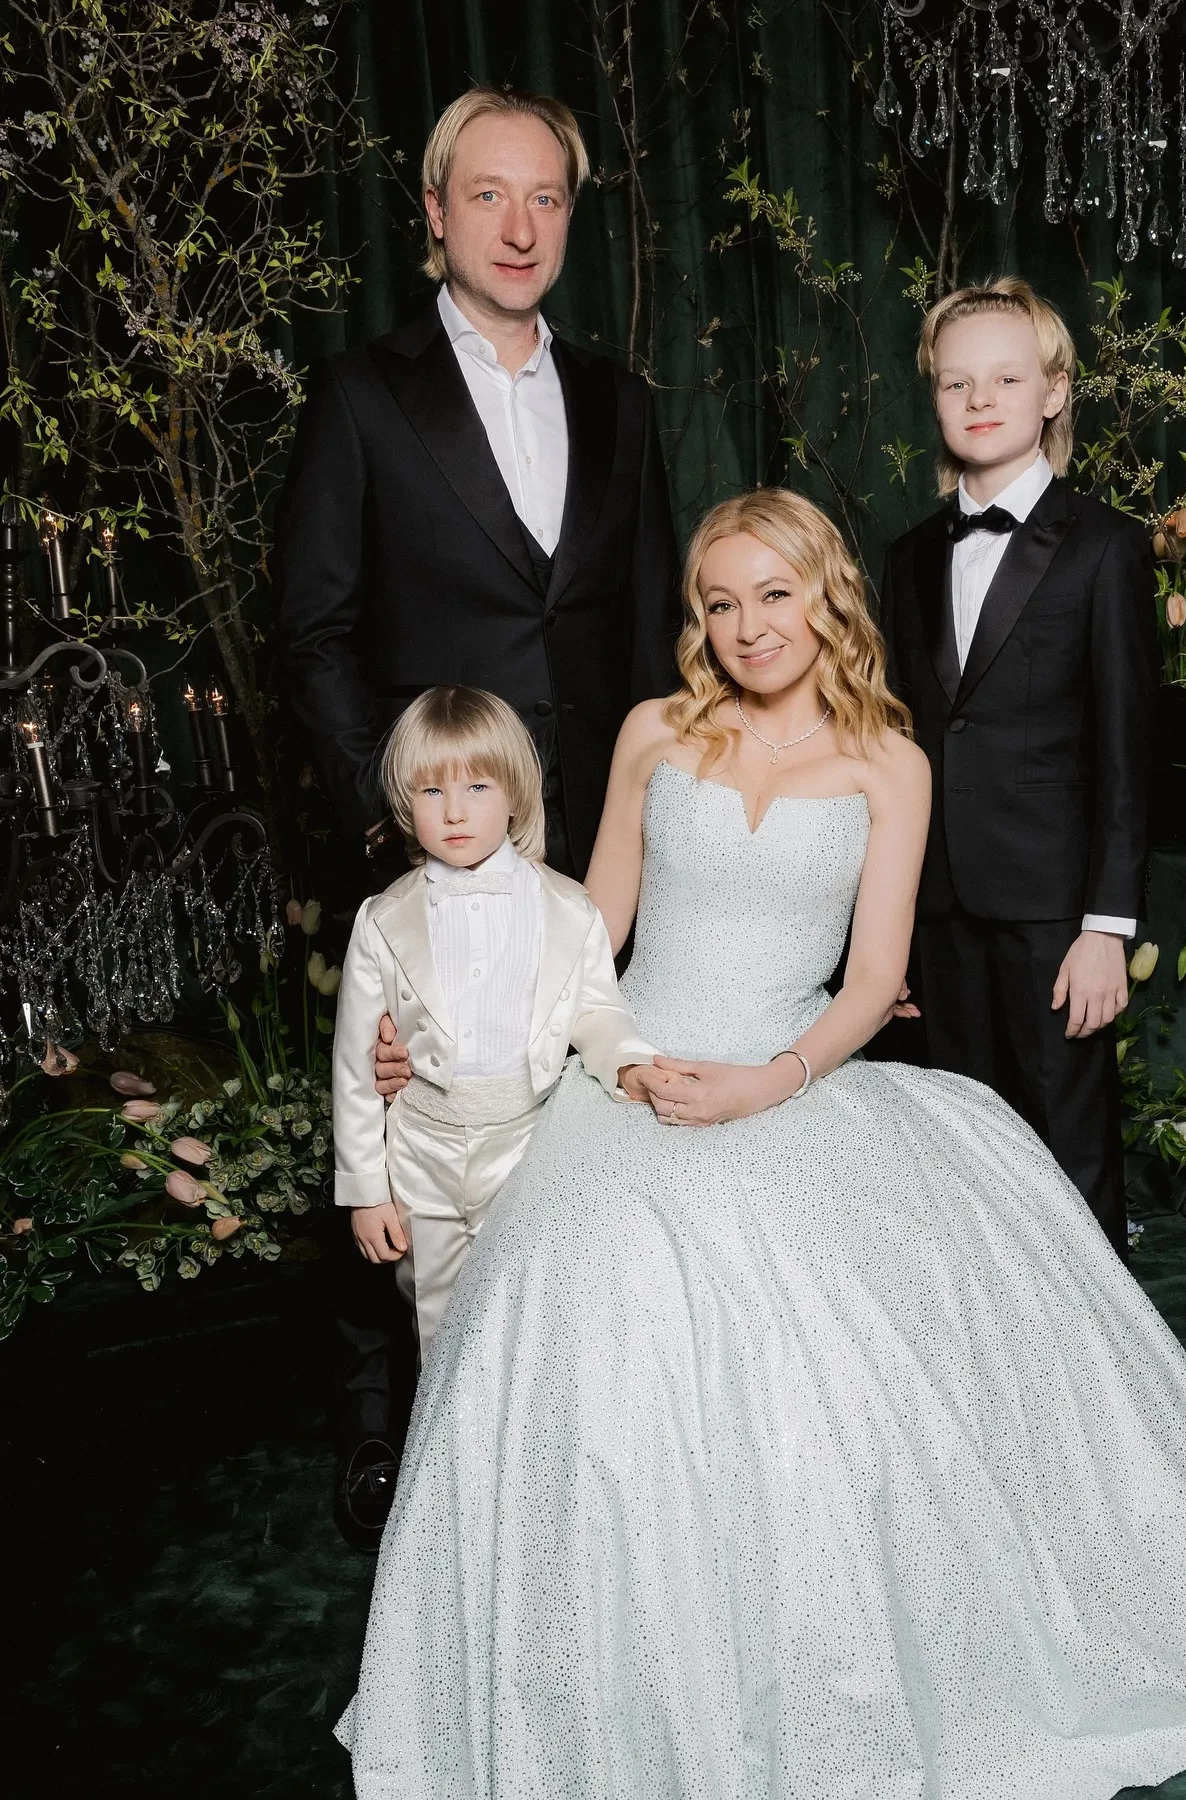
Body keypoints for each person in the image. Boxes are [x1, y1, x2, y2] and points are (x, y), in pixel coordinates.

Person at [339, 490, 1186, 1798]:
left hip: (792, 1072)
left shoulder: (888, 763)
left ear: (828, 596)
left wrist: (768, 1084)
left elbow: (869, 986)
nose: (749, 626)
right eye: (720, 603)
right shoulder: (651, 733)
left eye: (775, 594)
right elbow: (586, 936)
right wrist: (440, 1036)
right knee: (596, 1304)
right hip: (635, 1073)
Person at [272, 86, 678, 1538]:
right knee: (405, 1119)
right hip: (432, 839)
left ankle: (571, 1424)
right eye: (489, 195)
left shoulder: (623, 403)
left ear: (570, 219)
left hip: (594, 853)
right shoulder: (363, 395)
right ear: (436, 213)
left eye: (547, 198)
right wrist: (397, 828)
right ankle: (381, 1432)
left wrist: (656, 832)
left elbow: (650, 641)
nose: (520, 226)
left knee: (571, 1125)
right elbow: (313, 632)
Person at [881, 276, 1157, 1258]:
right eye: (956, 382)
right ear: (935, 397)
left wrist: (1106, 929)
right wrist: (888, 930)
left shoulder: (1106, 549)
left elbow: (1128, 753)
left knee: (1067, 1149)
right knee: (954, 1148)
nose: (980, 398)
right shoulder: (907, 556)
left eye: (1005, 377)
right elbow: (897, 747)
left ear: (1054, 391)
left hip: (1053, 915)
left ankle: (1096, 1344)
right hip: (936, 909)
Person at [331, 687, 657, 1364]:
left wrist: (627, 1062)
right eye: (431, 791)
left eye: (477, 787)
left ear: (514, 794)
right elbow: (356, 1069)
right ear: (405, 804)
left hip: (529, 1145)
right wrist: (366, 1191)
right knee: (439, 1324)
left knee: (537, 1318)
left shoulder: (569, 908)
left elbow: (597, 1009)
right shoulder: (382, 919)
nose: (454, 812)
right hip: (421, 1153)